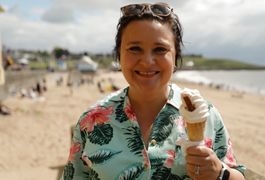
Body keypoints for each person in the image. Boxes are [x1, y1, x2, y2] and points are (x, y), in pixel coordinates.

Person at [61, 2, 245, 180]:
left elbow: (238, 175)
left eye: (160, 49)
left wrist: (220, 173)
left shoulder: (206, 114)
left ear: (175, 56)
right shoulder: (90, 121)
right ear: (119, 55)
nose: (147, 61)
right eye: (135, 49)